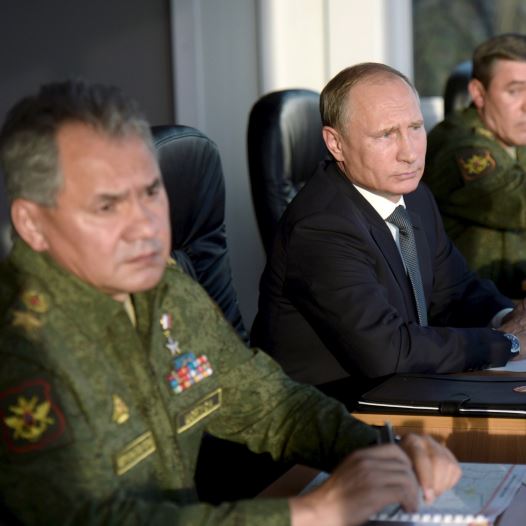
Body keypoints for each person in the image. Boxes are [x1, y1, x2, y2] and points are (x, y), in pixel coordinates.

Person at [0, 80, 461, 525]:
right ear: (32, 224)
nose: (144, 226)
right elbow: (86, 518)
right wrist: (311, 514)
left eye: (150, 192)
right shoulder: (22, 349)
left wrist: (380, 448)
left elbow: (266, 402)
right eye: (106, 207)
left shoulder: (165, 289)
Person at [251, 62, 526, 405]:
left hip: (406, 392)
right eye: (386, 135)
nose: (409, 152)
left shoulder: (415, 196)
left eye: (414, 127)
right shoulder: (321, 227)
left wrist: (511, 319)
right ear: (335, 143)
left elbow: (456, 291)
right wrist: (506, 343)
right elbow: (386, 350)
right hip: (334, 418)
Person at [424, 33, 526, 298]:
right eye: (514, 91)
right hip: (474, 316)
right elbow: (518, 203)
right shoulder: (459, 146)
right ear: (478, 93)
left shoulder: (513, 137)